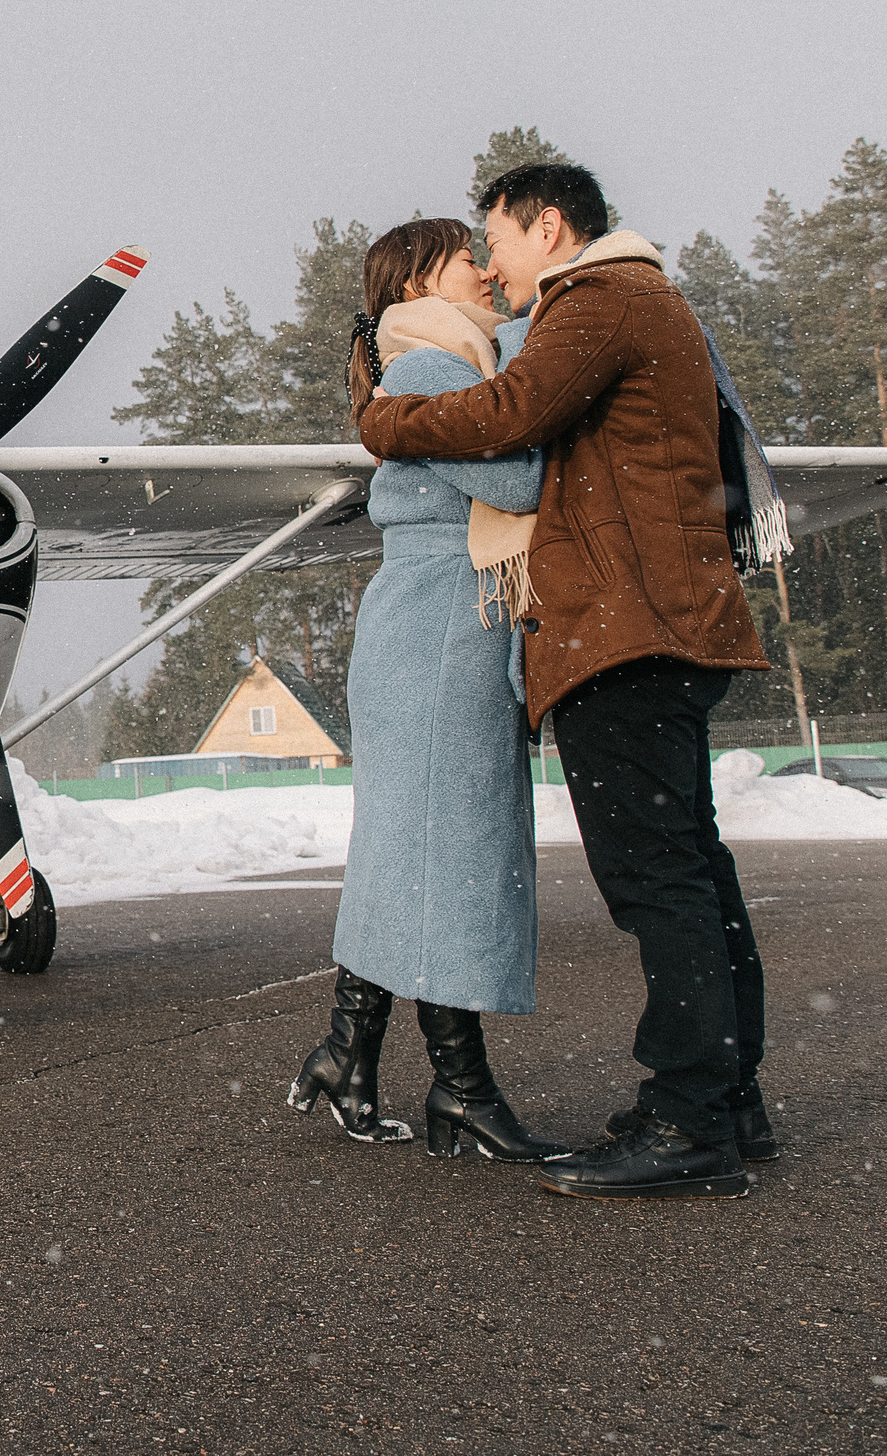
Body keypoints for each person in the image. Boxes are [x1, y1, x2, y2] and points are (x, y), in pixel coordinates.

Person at [354, 162, 782, 1202]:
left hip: (624, 632)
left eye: (496, 240)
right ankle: (726, 1103)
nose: (492, 265)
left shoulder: (600, 298)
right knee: (692, 868)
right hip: (659, 623)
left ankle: (689, 1121)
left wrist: (385, 421)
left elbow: (506, 416)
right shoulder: (642, 297)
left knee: (658, 883)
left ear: (546, 226)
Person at [287, 217, 566, 1164]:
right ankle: (458, 1085)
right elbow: (519, 479)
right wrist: (542, 346)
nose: (486, 272)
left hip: (440, 622)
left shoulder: (439, 364)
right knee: (448, 852)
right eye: (466, 260)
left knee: (420, 851)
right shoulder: (433, 368)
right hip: (444, 623)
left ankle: (353, 1053)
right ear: (417, 284)